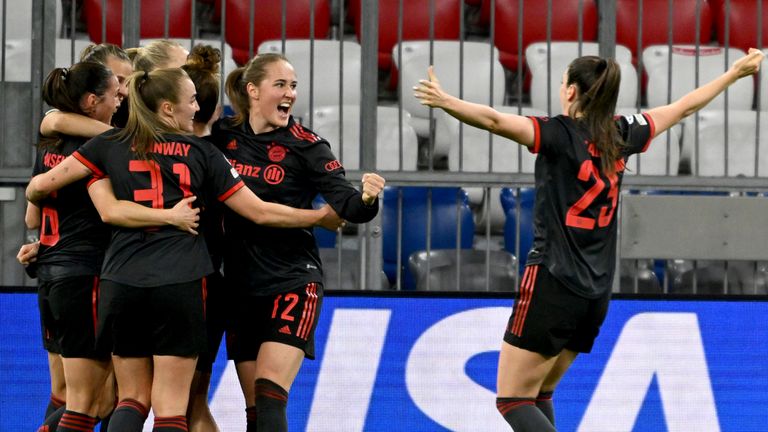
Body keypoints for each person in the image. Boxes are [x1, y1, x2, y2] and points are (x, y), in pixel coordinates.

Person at [413, 48, 764, 431]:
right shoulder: (622, 133)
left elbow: (495, 121)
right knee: (538, 394)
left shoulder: (557, 133)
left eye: (564, 80)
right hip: (596, 292)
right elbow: (681, 109)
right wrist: (732, 74)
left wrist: (445, 101)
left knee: (512, 399)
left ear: (571, 92)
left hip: (552, 281)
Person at [26, 67, 344, 432]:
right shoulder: (203, 153)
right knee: (173, 407)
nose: (197, 108)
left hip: (120, 281)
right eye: (190, 100)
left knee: (130, 399)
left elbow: (45, 187)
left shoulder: (108, 145)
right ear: (166, 108)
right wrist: (318, 216)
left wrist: (41, 218)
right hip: (182, 282)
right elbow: (258, 211)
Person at [211, 53, 385, 432]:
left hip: (292, 279)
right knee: (255, 409)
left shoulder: (307, 144)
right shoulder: (222, 135)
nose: (289, 94)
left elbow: (348, 206)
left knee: (270, 391)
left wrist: (368, 198)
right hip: (239, 285)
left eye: (293, 86)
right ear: (253, 90)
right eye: (280, 85)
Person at [21, 62, 199, 432]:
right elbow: (109, 210)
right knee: (95, 402)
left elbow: (31, 217)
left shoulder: (50, 142)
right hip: (87, 276)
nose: (120, 104)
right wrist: (169, 216)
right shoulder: (100, 148)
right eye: (115, 96)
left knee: (72, 395)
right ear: (90, 101)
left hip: (51, 273)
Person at [180, 44, 225, 432]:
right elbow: (257, 211)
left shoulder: (146, 150)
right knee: (192, 402)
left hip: (137, 280)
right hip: (206, 281)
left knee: (131, 398)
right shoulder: (219, 155)